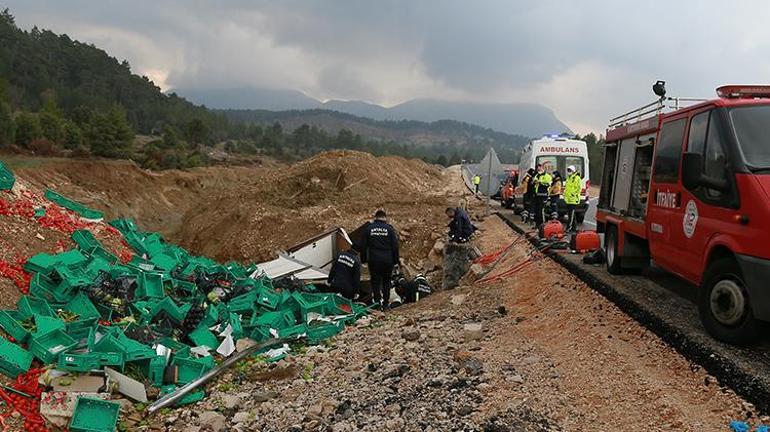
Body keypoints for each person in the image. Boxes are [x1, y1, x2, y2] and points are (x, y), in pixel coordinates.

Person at [361, 209, 400, 310]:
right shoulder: (390, 229)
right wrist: (396, 261)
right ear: (385, 218)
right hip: (388, 260)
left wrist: (364, 259)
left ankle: (377, 303)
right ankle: (386, 304)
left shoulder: (369, 229)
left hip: (374, 260)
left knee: (375, 282)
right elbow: (395, 247)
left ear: (375, 217)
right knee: (387, 282)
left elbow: (363, 246)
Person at [564, 165, 582, 232]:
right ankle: (574, 228)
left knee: (571, 215)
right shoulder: (569, 178)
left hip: (573, 199)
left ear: (573, 171)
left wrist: (573, 194)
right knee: (572, 215)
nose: (568, 172)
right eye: (568, 170)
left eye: (570, 170)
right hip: (568, 199)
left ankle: (569, 228)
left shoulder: (577, 178)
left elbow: (579, 188)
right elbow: (567, 188)